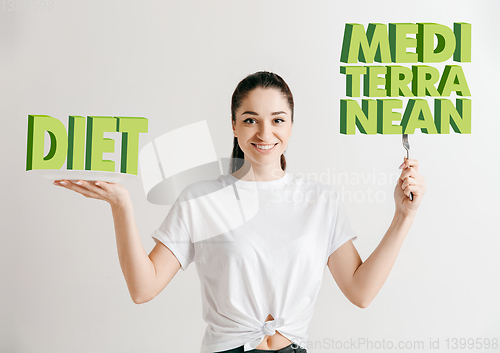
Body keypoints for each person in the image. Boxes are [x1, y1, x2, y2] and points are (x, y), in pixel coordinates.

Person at [53, 71, 426, 353]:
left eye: (278, 119)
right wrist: (122, 206)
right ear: (234, 125)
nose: (265, 132)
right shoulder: (201, 198)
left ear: (292, 126)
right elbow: (143, 288)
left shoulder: (320, 200)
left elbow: (360, 292)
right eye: (250, 119)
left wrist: (403, 217)